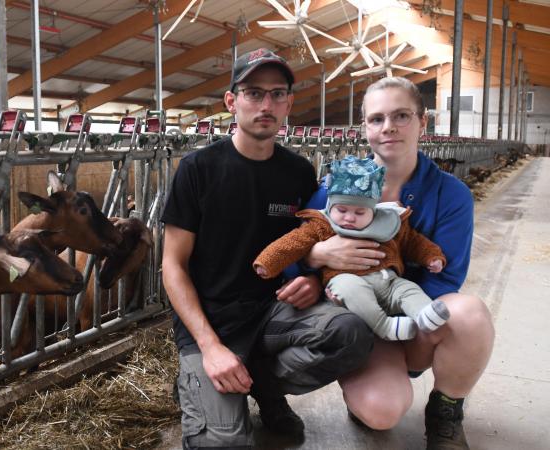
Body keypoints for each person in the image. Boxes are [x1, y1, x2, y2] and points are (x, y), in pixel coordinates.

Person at [161, 48, 374, 449]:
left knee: (351, 333)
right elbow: (172, 266)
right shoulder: (198, 169)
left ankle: (262, 385)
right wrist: (210, 348)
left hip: (273, 311)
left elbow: (308, 242)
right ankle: (204, 380)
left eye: (278, 94)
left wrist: (312, 278)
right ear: (231, 102)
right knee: (223, 444)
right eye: (254, 93)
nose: (266, 105)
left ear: (290, 104)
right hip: (214, 321)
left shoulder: (297, 171)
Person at [305, 76, 495, 449]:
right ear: (364, 128)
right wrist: (318, 255)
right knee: (381, 412)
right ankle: (366, 381)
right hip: (357, 320)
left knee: (469, 315)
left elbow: (448, 276)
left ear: (423, 122)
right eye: (376, 119)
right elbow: (302, 245)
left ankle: (445, 410)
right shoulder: (335, 186)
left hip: (413, 315)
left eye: (401, 115)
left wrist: (407, 316)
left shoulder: (451, 194)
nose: (388, 127)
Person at [253, 155, 450, 342]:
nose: (349, 218)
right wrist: (268, 262)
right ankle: (385, 327)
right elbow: (291, 243)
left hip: (389, 282)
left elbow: (413, 242)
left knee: (408, 289)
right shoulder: (322, 224)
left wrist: (432, 257)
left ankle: (423, 313)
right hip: (347, 281)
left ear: (373, 210)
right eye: (342, 210)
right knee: (350, 289)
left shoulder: (389, 222)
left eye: (360, 212)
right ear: (330, 206)